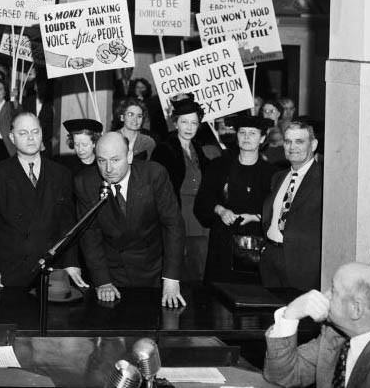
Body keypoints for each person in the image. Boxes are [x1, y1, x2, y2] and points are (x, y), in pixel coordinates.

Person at [263, 262, 370, 388]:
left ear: (356, 309)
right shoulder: (334, 335)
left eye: (333, 291)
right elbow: (282, 377)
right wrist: (290, 315)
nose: (324, 295)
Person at [0, 112, 86, 290]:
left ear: (42, 133)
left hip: (53, 271)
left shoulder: (61, 173)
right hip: (9, 271)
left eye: (35, 132)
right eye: (23, 133)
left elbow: (67, 225)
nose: (31, 138)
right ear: (11, 137)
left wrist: (71, 263)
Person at [75, 131, 186, 307]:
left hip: (154, 271)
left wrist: (171, 279)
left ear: (129, 156)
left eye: (115, 160)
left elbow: (173, 225)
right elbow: (90, 235)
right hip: (112, 274)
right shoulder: (85, 182)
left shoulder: (154, 175)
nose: (108, 169)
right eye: (102, 161)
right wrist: (102, 281)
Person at [195, 115, 277, 284]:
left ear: (262, 138)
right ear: (237, 136)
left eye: (253, 133)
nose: (247, 137)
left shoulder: (272, 173)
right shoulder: (218, 166)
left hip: (255, 242)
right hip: (223, 239)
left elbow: (277, 210)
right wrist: (220, 210)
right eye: (242, 132)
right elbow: (203, 200)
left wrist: (255, 217)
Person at [152, 98, 214, 281]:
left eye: (194, 122)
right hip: (178, 215)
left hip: (201, 216)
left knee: (201, 269)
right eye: (184, 122)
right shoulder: (164, 150)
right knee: (182, 271)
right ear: (175, 123)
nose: (189, 127)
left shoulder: (199, 148)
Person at [261, 121, 323, 290]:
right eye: (288, 141)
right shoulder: (279, 177)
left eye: (299, 141)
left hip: (303, 270)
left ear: (314, 144)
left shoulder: (324, 180)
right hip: (271, 263)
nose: (292, 147)